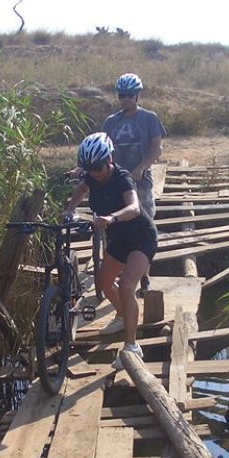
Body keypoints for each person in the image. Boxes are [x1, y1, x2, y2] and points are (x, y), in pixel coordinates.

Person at [63, 132, 158, 368]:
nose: (94, 172)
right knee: (103, 283)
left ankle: (132, 346)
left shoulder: (122, 178)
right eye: (89, 168)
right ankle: (122, 315)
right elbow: (81, 190)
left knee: (127, 286)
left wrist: (111, 218)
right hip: (119, 240)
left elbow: (134, 208)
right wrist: (69, 210)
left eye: (97, 167)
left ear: (109, 160)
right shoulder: (92, 177)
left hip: (141, 238)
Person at [101, 73, 166, 295]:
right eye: (122, 95)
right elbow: (102, 149)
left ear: (137, 95)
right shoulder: (111, 122)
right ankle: (119, 274)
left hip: (141, 181)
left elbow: (156, 148)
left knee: (144, 230)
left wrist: (141, 167)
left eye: (129, 95)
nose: (125, 99)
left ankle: (144, 276)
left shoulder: (149, 118)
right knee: (116, 227)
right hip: (117, 183)